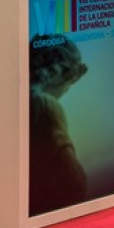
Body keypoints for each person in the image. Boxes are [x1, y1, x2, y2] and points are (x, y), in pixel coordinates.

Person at [29, 33, 89, 216]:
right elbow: (74, 184)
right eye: (69, 83)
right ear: (61, 73)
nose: (66, 91)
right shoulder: (44, 105)